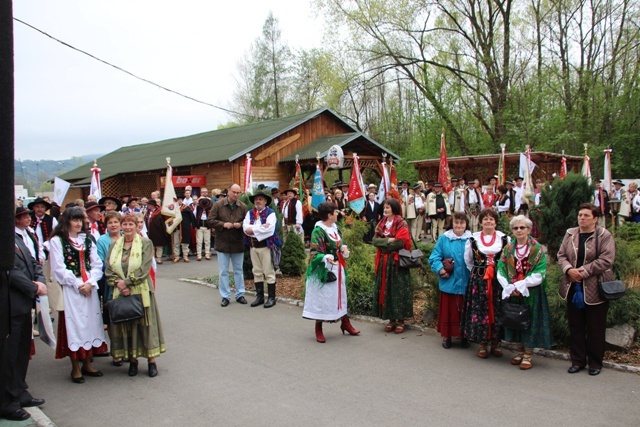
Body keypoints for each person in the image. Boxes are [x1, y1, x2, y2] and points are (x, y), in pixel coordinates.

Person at [49, 207, 107, 383]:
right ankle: (75, 367)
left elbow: (97, 263)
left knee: (90, 322)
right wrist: (78, 284)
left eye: (80, 220)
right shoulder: (57, 241)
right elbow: (58, 267)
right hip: (71, 289)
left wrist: (90, 282)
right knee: (74, 324)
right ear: (66, 221)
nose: (78, 223)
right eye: (74, 220)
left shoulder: (86, 240)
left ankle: (87, 363)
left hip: (89, 287)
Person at [557, 203, 615, 376]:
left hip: (595, 287)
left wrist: (583, 271)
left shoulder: (604, 235)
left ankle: (595, 362)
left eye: (586, 215)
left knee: (595, 327)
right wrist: (569, 270)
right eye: (580, 215)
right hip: (573, 287)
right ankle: (578, 360)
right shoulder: (570, 233)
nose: (582, 218)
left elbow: (607, 259)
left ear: (595, 218)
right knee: (576, 326)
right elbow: (561, 255)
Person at [1, 208, 48, 421]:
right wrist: (33, 287)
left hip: (23, 305)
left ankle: (19, 391)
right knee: (9, 356)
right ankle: (7, 402)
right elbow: (9, 271)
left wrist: (40, 280)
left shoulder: (19, 239)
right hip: (9, 305)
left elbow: (33, 262)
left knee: (21, 353)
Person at [105, 214, 166, 377]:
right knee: (128, 326)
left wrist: (128, 283)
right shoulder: (114, 245)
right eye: (124, 224)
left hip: (142, 290)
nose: (127, 227)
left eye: (131, 224)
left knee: (146, 326)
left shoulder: (145, 243)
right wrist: (119, 283)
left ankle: (151, 362)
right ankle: (132, 361)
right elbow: (108, 268)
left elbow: (145, 268)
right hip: (120, 291)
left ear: (137, 226)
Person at [497, 215, 552, 370]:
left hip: (531, 292)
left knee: (529, 321)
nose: (519, 230)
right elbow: (500, 268)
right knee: (515, 319)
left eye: (522, 227)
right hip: (513, 291)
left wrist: (522, 285)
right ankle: (519, 351)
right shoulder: (508, 249)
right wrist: (508, 286)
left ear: (529, 229)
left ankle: (528, 354)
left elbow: (540, 272)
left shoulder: (537, 248)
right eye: (516, 228)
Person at [303, 202, 359, 342]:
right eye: (335, 212)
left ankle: (345, 323)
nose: (337, 214)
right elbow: (315, 253)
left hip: (338, 268)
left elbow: (340, 244)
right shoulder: (318, 230)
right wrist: (326, 257)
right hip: (324, 270)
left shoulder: (335, 228)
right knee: (323, 298)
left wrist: (344, 249)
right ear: (329, 215)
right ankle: (318, 329)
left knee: (340, 297)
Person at [462, 208, 509, 359]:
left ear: (495, 222)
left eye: (491, 219)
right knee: (480, 310)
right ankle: (482, 344)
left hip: (498, 280)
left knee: (497, 309)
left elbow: (509, 259)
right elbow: (468, 261)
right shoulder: (473, 239)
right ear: (481, 222)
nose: (488, 221)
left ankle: (495, 343)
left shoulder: (504, 239)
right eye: (485, 219)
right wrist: (480, 271)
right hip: (479, 280)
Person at [428, 212, 472, 349]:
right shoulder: (444, 239)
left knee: (465, 310)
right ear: (452, 224)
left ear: (466, 224)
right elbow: (434, 257)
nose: (459, 225)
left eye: (462, 223)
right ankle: (447, 336)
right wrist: (441, 269)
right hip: (449, 283)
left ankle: (464, 336)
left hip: (466, 282)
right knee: (449, 311)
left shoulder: (471, 239)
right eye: (456, 222)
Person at [372, 198, 413, 334]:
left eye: (388, 207)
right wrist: (387, 241)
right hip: (384, 262)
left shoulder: (401, 223)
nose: (385, 210)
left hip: (397, 262)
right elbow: (374, 240)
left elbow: (401, 242)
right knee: (386, 289)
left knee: (398, 289)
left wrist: (384, 245)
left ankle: (401, 320)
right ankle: (391, 320)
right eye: (384, 207)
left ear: (394, 208)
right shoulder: (382, 223)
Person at [207, 184, 248, 307]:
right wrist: (223, 224)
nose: (236, 195)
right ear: (228, 191)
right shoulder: (218, 205)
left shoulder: (243, 206)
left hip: (237, 242)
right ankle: (225, 296)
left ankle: (240, 294)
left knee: (239, 271)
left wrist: (240, 224)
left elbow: (248, 221)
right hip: (222, 242)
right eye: (234, 192)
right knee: (223, 271)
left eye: (238, 193)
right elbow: (210, 220)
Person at [242, 190, 282, 308]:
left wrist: (253, 229)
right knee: (257, 272)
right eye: (256, 199)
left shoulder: (271, 213)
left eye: (260, 199)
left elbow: (269, 231)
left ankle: (271, 298)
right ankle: (259, 297)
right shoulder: (250, 213)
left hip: (266, 247)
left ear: (265, 202)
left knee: (269, 272)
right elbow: (245, 228)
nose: (257, 201)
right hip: (253, 246)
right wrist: (259, 227)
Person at [146, 199, 169, 264]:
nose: (149, 206)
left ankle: (159, 258)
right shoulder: (147, 212)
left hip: (158, 231)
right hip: (150, 231)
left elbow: (162, 221)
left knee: (159, 246)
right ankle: (152, 259)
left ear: (153, 205)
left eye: (149, 205)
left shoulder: (159, 212)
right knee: (151, 246)